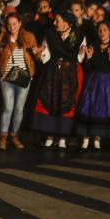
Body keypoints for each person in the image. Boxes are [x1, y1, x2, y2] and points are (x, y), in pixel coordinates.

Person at [32, 12, 86, 150]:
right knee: (51, 101)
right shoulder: (50, 35)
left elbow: (80, 57)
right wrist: (39, 53)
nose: (55, 23)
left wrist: (84, 54)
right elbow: (46, 56)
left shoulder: (78, 35)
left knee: (67, 102)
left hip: (70, 73)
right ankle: (50, 135)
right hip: (53, 72)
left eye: (58, 21)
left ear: (67, 24)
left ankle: (63, 137)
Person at [75, 22, 110, 151]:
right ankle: (85, 141)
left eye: (105, 30)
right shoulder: (94, 46)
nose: (102, 32)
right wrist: (89, 58)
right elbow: (88, 68)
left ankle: (97, 140)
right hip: (94, 81)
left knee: (102, 110)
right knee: (88, 108)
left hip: (108, 84)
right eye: (100, 30)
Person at [0, 12, 38, 150]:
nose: (11, 27)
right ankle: (3, 136)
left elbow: (36, 58)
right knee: (8, 107)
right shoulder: (2, 37)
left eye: (14, 24)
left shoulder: (29, 37)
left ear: (20, 24)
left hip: (24, 77)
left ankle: (14, 135)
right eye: (9, 24)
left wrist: (37, 53)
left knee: (19, 109)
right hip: (7, 77)